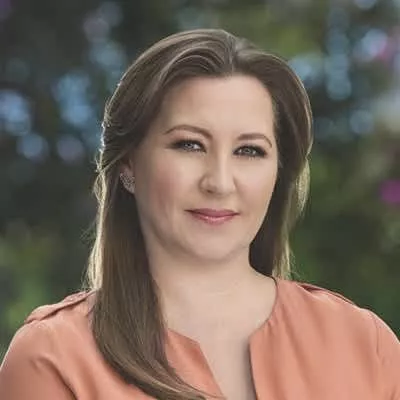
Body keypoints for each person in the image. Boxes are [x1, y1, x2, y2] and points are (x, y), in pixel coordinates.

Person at [0, 28, 399, 400]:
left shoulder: (366, 344)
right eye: (190, 145)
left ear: (278, 173)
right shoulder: (53, 358)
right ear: (128, 165)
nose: (220, 182)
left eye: (249, 150)